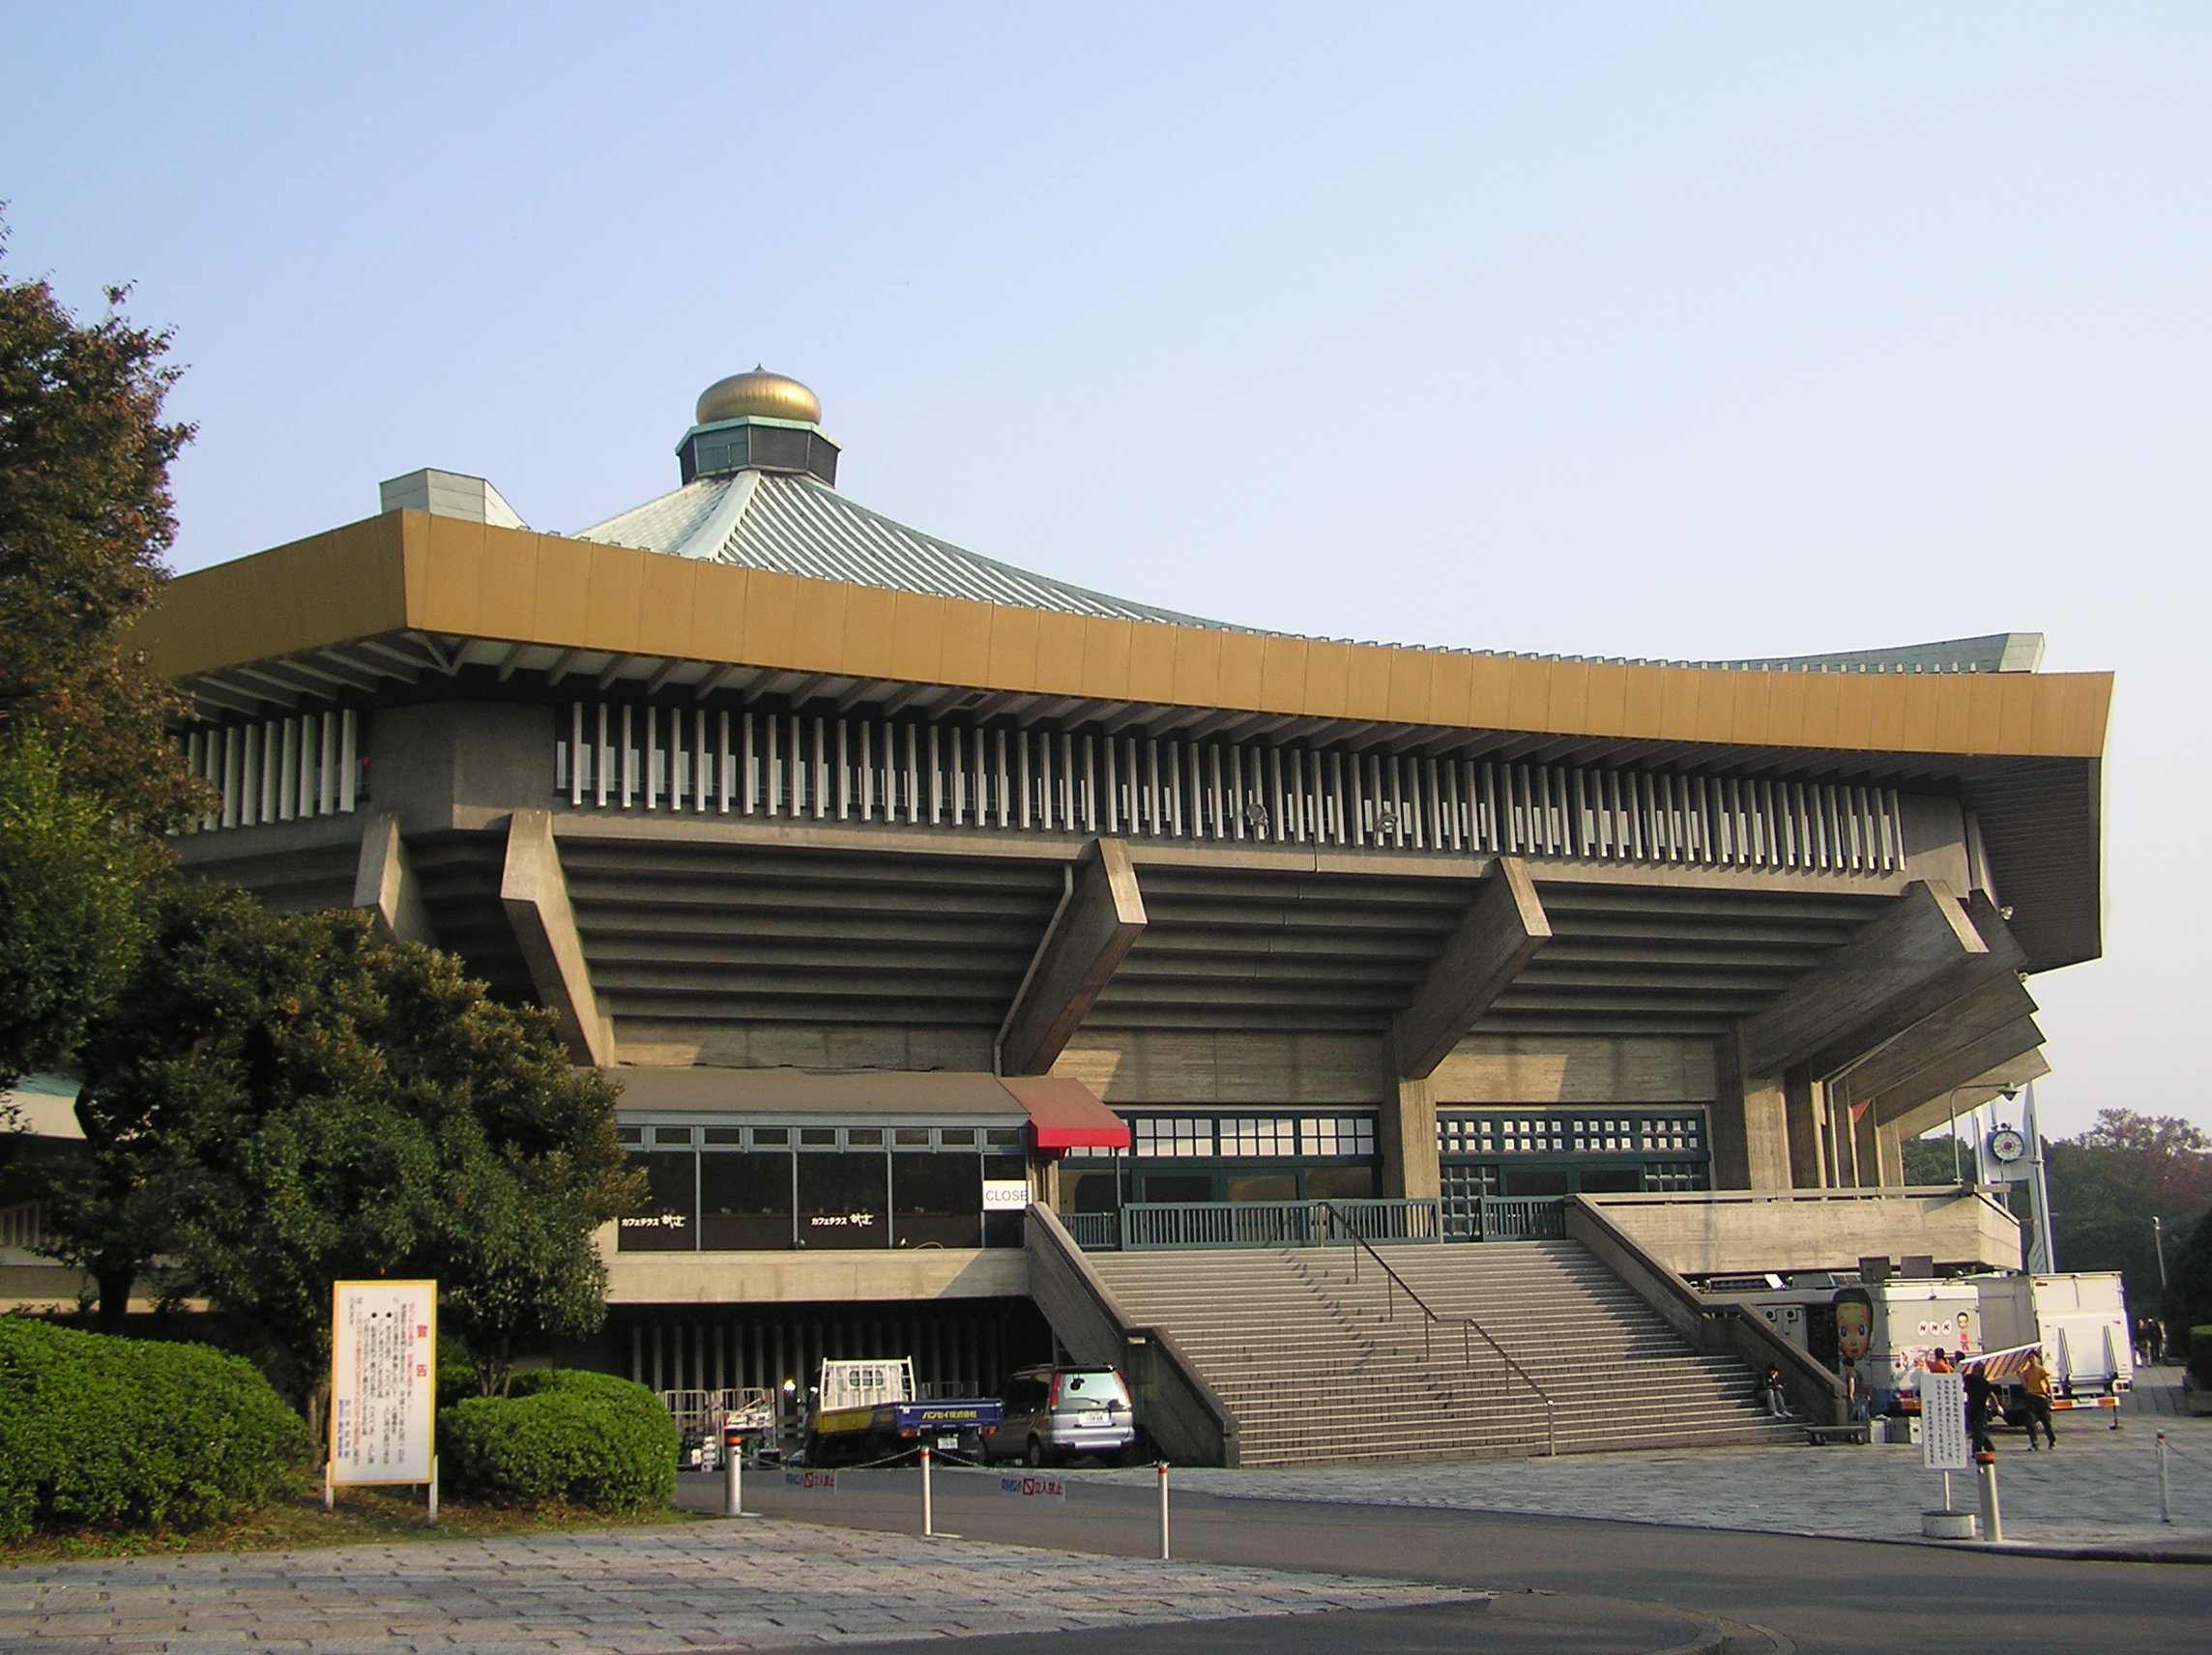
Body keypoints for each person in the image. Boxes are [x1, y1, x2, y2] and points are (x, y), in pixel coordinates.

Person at [2020, 1349, 2058, 1450]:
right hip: (2030, 1397)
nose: (2031, 1360)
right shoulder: (2026, 1372)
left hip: (2041, 1398)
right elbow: (2025, 1386)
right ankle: (2034, 1443)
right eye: (2029, 1358)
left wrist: (2052, 1397)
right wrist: (2020, 1376)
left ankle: (2052, 1441)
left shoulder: (2041, 1370)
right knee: (2030, 1422)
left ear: (2037, 1358)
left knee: (2046, 1422)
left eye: (2032, 1358)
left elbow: (2048, 1384)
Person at [1964, 1362, 1998, 1455]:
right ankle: (1988, 1446)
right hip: (1980, 1408)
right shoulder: (1985, 1383)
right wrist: (1997, 1406)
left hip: (1972, 1407)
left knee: (1977, 1430)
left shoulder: (1969, 1379)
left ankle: (1977, 1450)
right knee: (1979, 1429)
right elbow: (1991, 1395)